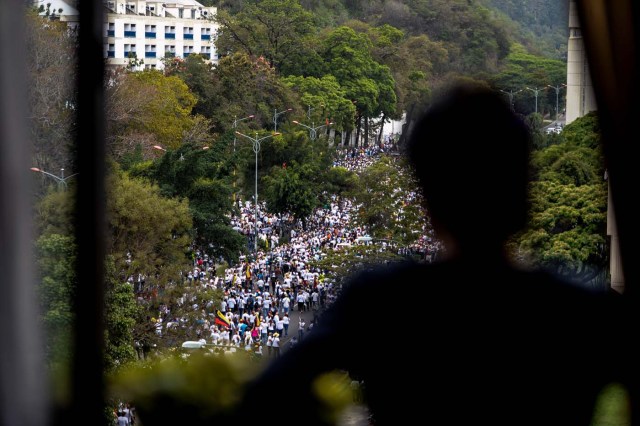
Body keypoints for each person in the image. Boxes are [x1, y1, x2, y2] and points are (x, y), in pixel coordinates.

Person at [233, 84, 633, 425]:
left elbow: (267, 396)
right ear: (524, 190)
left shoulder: (383, 302)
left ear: (427, 199)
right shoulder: (580, 315)